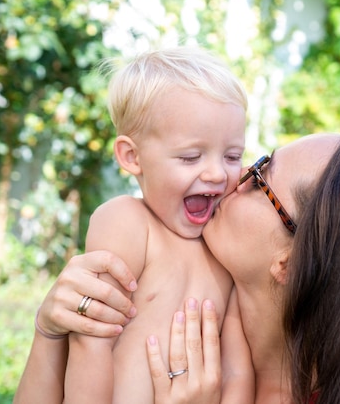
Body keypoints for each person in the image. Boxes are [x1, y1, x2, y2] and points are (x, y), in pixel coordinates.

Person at [16, 130, 340, 404]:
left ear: (291, 262)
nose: (232, 176)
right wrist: (51, 332)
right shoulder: (186, 300)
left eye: (260, 176)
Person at [18, 46, 253, 404]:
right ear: (132, 157)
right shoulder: (127, 222)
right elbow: (90, 339)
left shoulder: (225, 245)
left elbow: (237, 368)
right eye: (191, 157)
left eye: (233, 156)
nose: (217, 173)